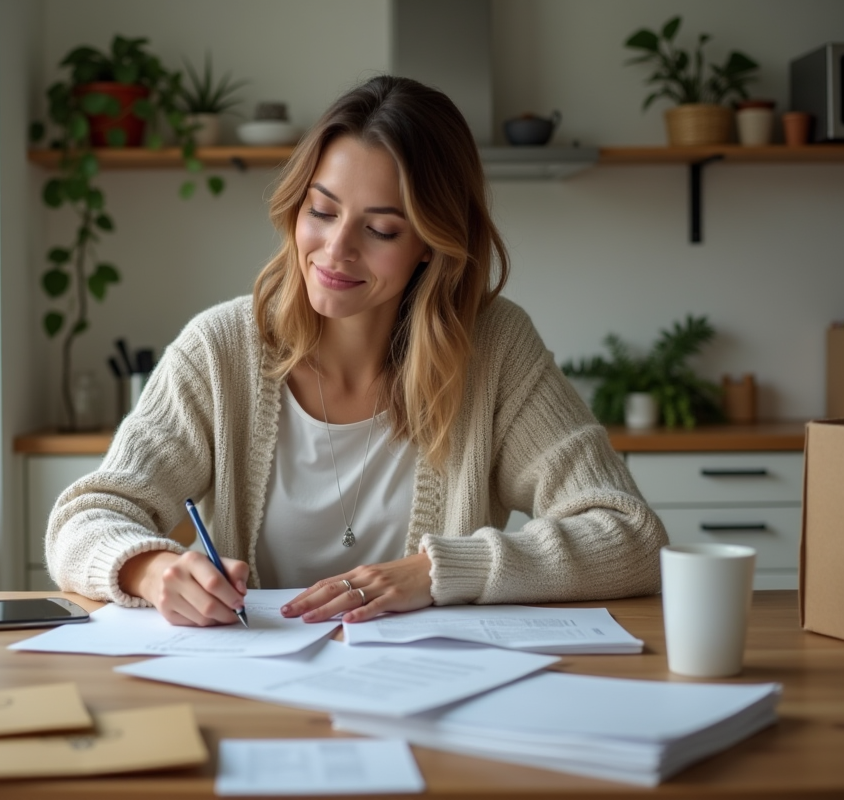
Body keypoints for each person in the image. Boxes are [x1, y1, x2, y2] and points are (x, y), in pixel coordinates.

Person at [45, 75, 667, 627]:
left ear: (431, 243)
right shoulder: (220, 350)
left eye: (381, 229)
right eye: (322, 211)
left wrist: (437, 572)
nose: (336, 250)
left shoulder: (495, 349)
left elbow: (632, 536)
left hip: (432, 692)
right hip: (256, 693)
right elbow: (86, 517)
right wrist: (151, 569)